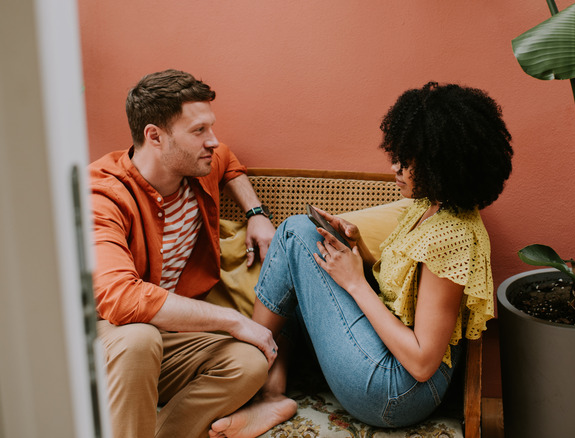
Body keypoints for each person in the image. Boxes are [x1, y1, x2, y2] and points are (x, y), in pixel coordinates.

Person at [209, 82, 514, 437]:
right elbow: (403, 289)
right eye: (398, 153)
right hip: (391, 367)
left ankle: (246, 375)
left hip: (397, 392)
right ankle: (271, 394)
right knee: (303, 252)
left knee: (293, 233)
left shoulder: (451, 236)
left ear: (442, 164)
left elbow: (421, 362)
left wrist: (354, 281)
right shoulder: (430, 206)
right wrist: (356, 249)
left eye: (409, 159)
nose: (396, 166)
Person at [89, 69, 280, 438]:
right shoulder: (101, 194)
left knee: (249, 363)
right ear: (154, 136)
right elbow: (121, 299)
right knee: (139, 338)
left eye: (211, 127)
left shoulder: (197, 165)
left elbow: (229, 160)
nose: (213, 141)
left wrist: (256, 213)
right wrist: (234, 320)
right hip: (105, 335)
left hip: (167, 335)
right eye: (198, 131)